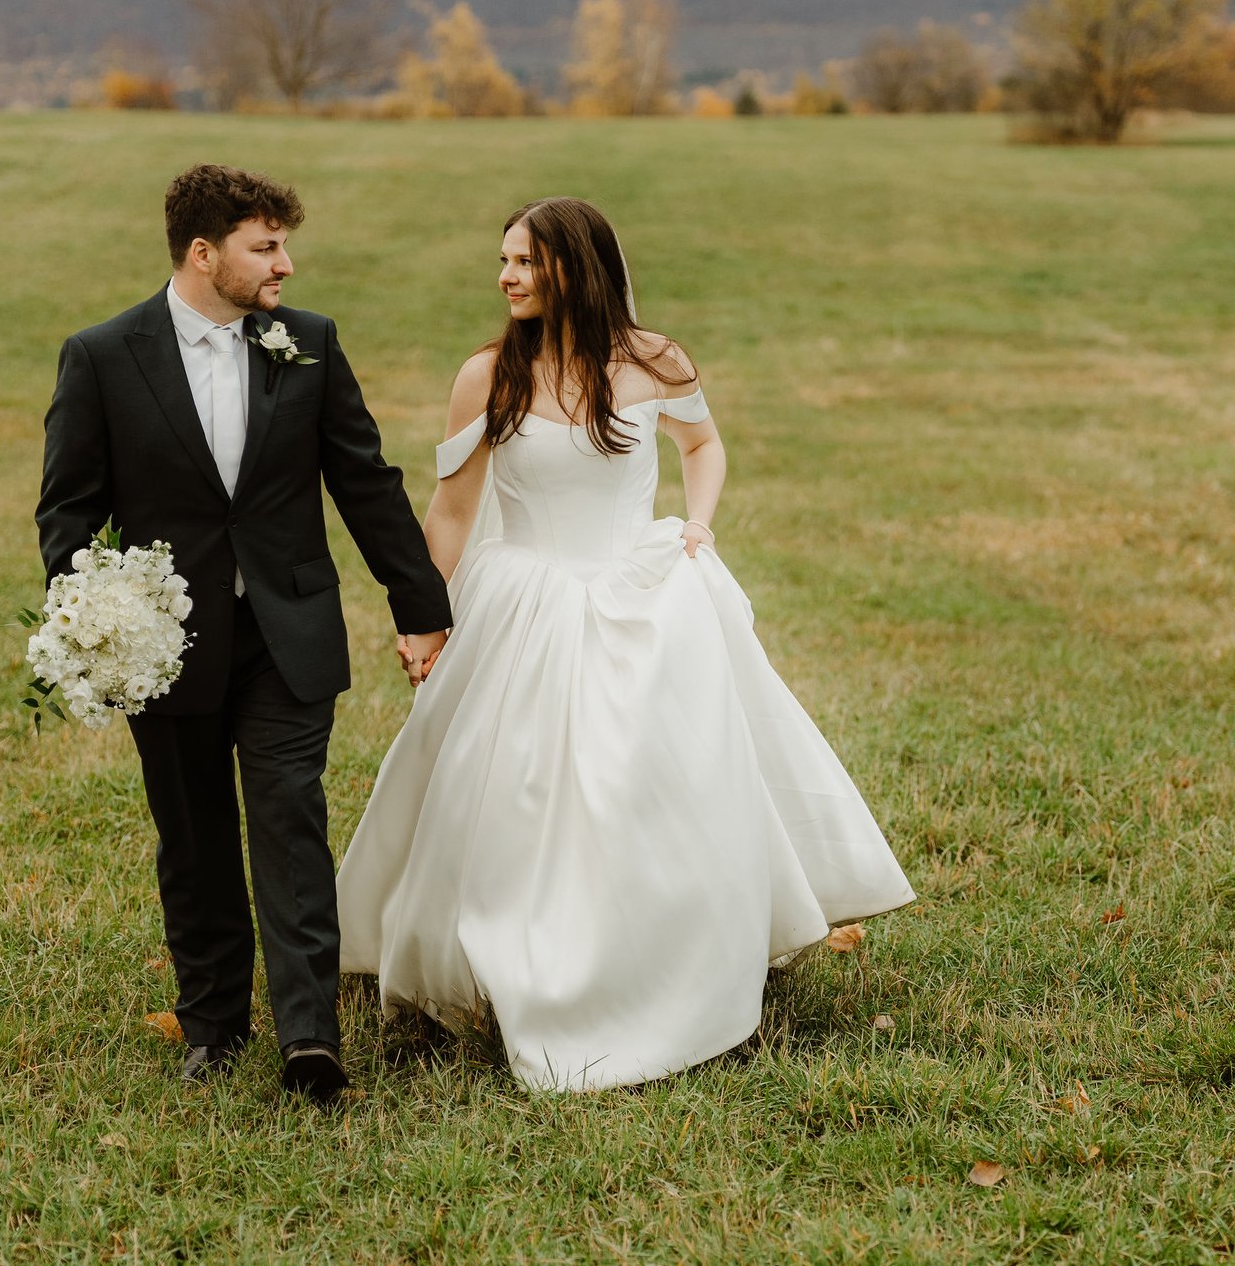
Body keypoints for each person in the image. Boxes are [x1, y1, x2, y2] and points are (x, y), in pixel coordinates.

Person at [338, 196, 915, 1090]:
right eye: (503, 260)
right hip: (524, 602)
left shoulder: (655, 361)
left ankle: (668, 947)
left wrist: (699, 525)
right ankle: (522, 960)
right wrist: (424, 616)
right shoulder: (488, 375)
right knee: (516, 785)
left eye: (525, 261)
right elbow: (452, 510)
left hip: (639, 594)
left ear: (577, 266)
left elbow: (704, 444)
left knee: (652, 781)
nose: (506, 276)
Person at [35, 164, 450, 1107]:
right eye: (265, 247)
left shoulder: (307, 344)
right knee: (194, 838)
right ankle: (213, 1026)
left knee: (291, 821)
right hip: (165, 647)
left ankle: (310, 1037)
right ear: (203, 252)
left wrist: (418, 603)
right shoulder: (102, 356)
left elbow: (364, 479)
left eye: (283, 245)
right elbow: (68, 510)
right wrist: (91, 620)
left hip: (286, 632)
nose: (284, 265)